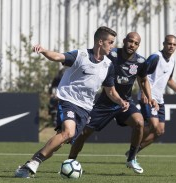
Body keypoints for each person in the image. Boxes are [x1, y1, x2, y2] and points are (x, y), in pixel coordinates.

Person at [15, 26, 129, 178]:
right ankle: (33, 163)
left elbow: (110, 91)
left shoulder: (108, 65)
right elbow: (57, 57)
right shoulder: (80, 55)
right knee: (68, 132)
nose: (113, 46)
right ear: (100, 42)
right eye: (110, 42)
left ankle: (27, 166)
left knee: (62, 140)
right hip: (68, 100)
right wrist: (43, 50)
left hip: (85, 108)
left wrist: (121, 101)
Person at [68, 32, 158, 174]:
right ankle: (70, 161)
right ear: (124, 41)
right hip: (105, 102)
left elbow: (144, 79)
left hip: (125, 103)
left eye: (135, 43)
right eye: (130, 41)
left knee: (139, 123)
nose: (132, 45)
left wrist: (150, 97)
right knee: (84, 132)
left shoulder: (140, 61)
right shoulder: (112, 54)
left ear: (138, 45)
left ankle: (132, 158)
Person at [125, 35, 176, 156]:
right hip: (149, 97)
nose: (171, 46)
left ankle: (133, 151)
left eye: (174, 45)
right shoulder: (155, 57)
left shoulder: (172, 61)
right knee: (153, 125)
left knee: (160, 131)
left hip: (159, 99)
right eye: (169, 44)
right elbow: (142, 74)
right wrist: (144, 92)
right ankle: (135, 139)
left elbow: (169, 79)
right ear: (164, 44)